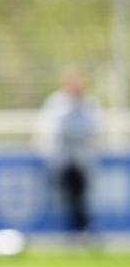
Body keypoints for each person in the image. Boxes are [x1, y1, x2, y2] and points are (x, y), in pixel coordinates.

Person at [38, 69, 99, 232]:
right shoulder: (57, 102)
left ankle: (82, 229)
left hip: (81, 160)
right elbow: (54, 128)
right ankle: (71, 229)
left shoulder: (88, 103)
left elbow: (90, 129)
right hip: (62, 160)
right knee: (65, 196)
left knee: (81, 196)